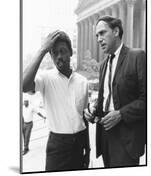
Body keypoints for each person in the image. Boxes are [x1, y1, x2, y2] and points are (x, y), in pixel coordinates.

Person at [23, 30, 90, 171]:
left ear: (71, 52)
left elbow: (83, 117)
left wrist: (88, 150)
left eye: (63, 51)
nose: (59, 57)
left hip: (80, 144)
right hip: (57, 146)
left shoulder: (83, 82)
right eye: (54, 53)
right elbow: (23, 85)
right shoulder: (45, 78)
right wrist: (42, 50)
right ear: (51, 56)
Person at [84, 16, 146, 168]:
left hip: (127, 139)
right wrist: (93, 111)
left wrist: (121, 114)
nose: (99, 39)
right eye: (97, 35)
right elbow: (105, 97)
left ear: (116, 31)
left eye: (102, 33)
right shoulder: (103, 65)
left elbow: (146, 99)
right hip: (105, 136)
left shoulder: (137, 56)